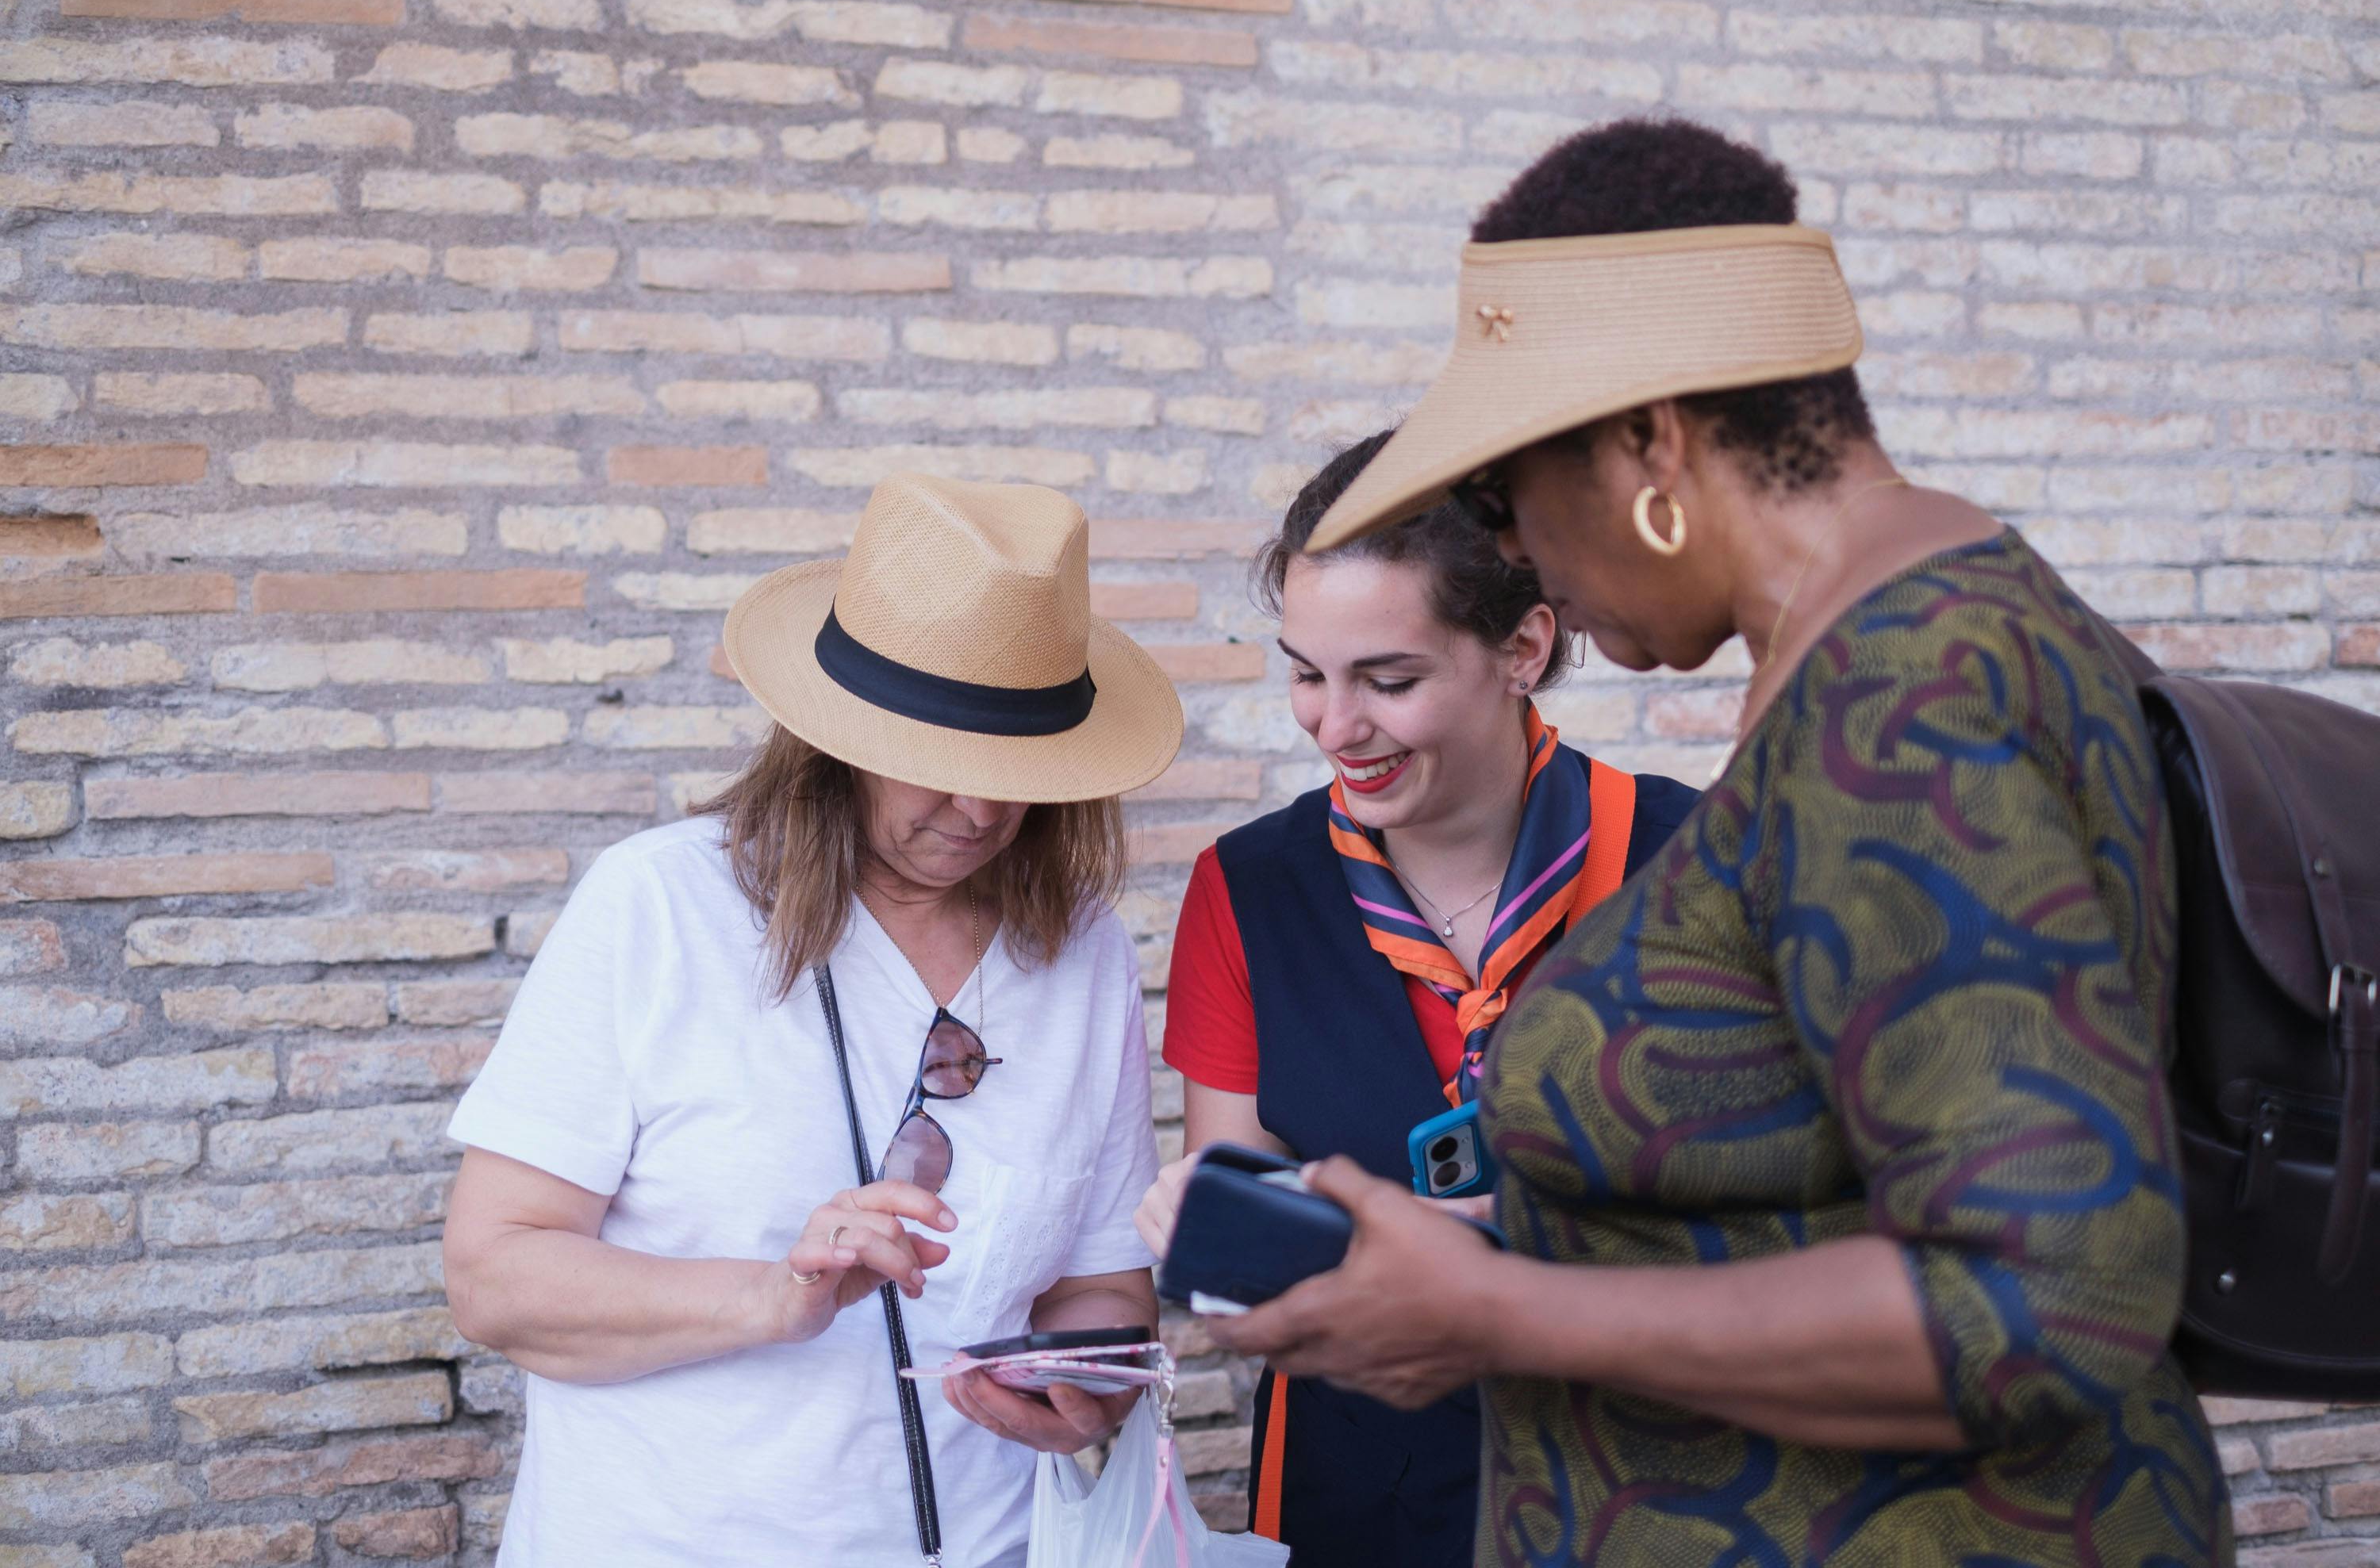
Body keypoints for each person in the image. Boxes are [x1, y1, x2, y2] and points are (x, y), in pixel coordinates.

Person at [1204, 119, 2228, 1566]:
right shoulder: (1927, 630)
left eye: (1503, 496)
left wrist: (1495, 1312)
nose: (1516, 555)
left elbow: (2047, 1287)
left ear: (1651, 443)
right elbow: (1822, 1179)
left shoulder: (1899, 695)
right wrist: (1504, 1243)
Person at [440, 473, 1184, 1566]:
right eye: (937, 766)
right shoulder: (659, 905)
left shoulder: (1082, 951)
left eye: (1017, 771)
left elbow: (1101, 1280)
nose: (978, 813)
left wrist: (1079, 1388)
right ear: (837, 736)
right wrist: (769, 1297)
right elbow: (493, 1276)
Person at [1134, 431, 1698, 1566]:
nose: (1334, 729)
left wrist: (1476, 1254)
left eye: (1388, 681)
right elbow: (1242, 1242)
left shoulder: (1692, 861)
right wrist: (1208, 1229)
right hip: (1357, 1491)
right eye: (1306, 672)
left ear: (1525, 647)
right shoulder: (1247, 891)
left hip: (1652, 1482)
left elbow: (1774, 1219)